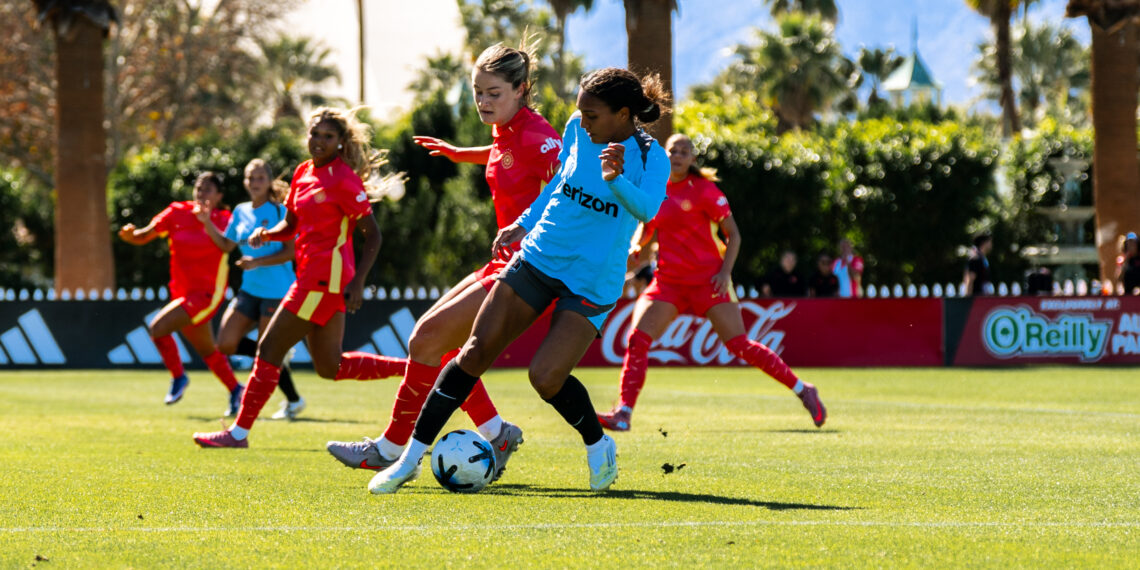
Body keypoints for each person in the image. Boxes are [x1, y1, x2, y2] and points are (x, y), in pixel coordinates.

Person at [366, 67, 671, 494]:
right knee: (474, 352)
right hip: (540, 256)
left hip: (591, 281)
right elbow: (560, 183)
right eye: (581, 112)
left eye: (592, 115)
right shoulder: (577, 128)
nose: (582, 121)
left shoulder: (651, 156)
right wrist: (524, 222)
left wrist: (615, 180)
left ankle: (598, 443)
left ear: (623, 114)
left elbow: (648, 211)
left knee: (545, 378)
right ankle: (406, 462)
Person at [325, 44, 559, 478]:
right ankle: (497, 433)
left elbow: (567, 187)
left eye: (493, 93)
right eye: (477, 92)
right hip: (505, 263)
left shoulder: (539, 137)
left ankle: (390, 448)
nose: (483, 101)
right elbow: (506, 155)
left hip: (529, 270)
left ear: (521, 89)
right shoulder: (509, 130)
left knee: (425, 340)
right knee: (440, 344)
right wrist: (459, 153)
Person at [192, 107, 405, 448]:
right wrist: (268, 233)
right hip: (312, 278)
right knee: (329, 366)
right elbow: (291, 225)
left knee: (269, 348)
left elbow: (373, 235)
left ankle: (238, 433)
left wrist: (358, 281)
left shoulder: (344, 179)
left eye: (328, 136)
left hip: (322, 280)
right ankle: (415, 368)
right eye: (315, 134)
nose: (319, 141)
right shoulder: (304, 172)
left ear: (341, 142)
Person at [596, 134, 826, 433]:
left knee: (739, 345)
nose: (678, 155)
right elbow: (648, 226)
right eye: (673, 150)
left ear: (693, 159)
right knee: (637, 340)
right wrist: (637, 247)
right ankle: (624, 413)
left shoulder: (705, 190)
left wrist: (725, 273)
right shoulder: (655, 189)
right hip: (669, 282)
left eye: (684, 151)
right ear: (664, 155)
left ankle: (804, 390)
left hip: (708, 281)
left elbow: (734, 235)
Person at [118, 172, 245, 415]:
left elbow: (227, 247)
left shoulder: (225, 219)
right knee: (207, 350)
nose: (202, 193)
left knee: (158, 328)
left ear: (219, 196)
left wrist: (206, 221)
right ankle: (236, 389)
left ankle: (178, 377)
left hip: (207, 295)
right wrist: (130, 236)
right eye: (199, 188)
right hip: (182, 293)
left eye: (208, 189)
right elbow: (144, 235)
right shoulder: (177, 212)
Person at [197, 159, 306, 420]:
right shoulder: (240, 210)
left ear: (269, 181)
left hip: (277, 291)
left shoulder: (280, 211)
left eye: (260, 178)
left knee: (266, 352)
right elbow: (226, 245)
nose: (255, 182)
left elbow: (290, 252)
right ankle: (281, 362)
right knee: (226, 343)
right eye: (250, 178)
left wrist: (257, 262)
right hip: (249, 290)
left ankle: (293, 401)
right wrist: (206, 222)